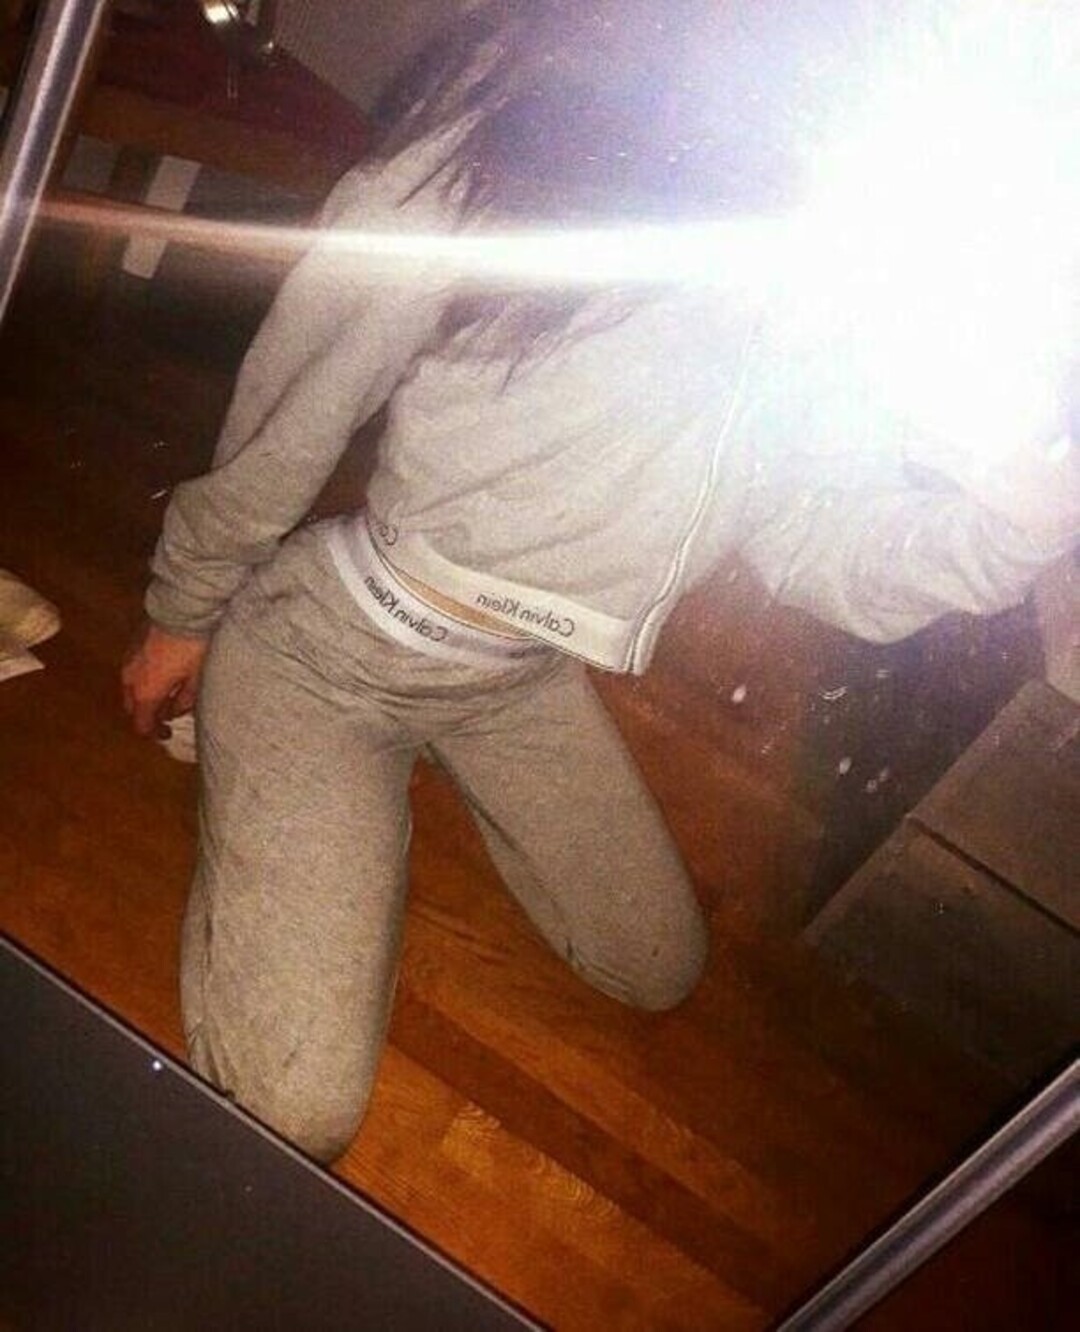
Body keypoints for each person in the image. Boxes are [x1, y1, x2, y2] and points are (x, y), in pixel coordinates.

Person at [121, 1, 1077, 1161]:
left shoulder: (813, 265)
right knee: (297, 1113)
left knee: (653, 964)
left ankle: (372, 794)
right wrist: (184, 612)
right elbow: (293, 405)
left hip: (513, 679)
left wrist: (1017, 531)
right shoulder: (498, 149)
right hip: (328, 653)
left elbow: (818, 544)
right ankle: (299, 777)